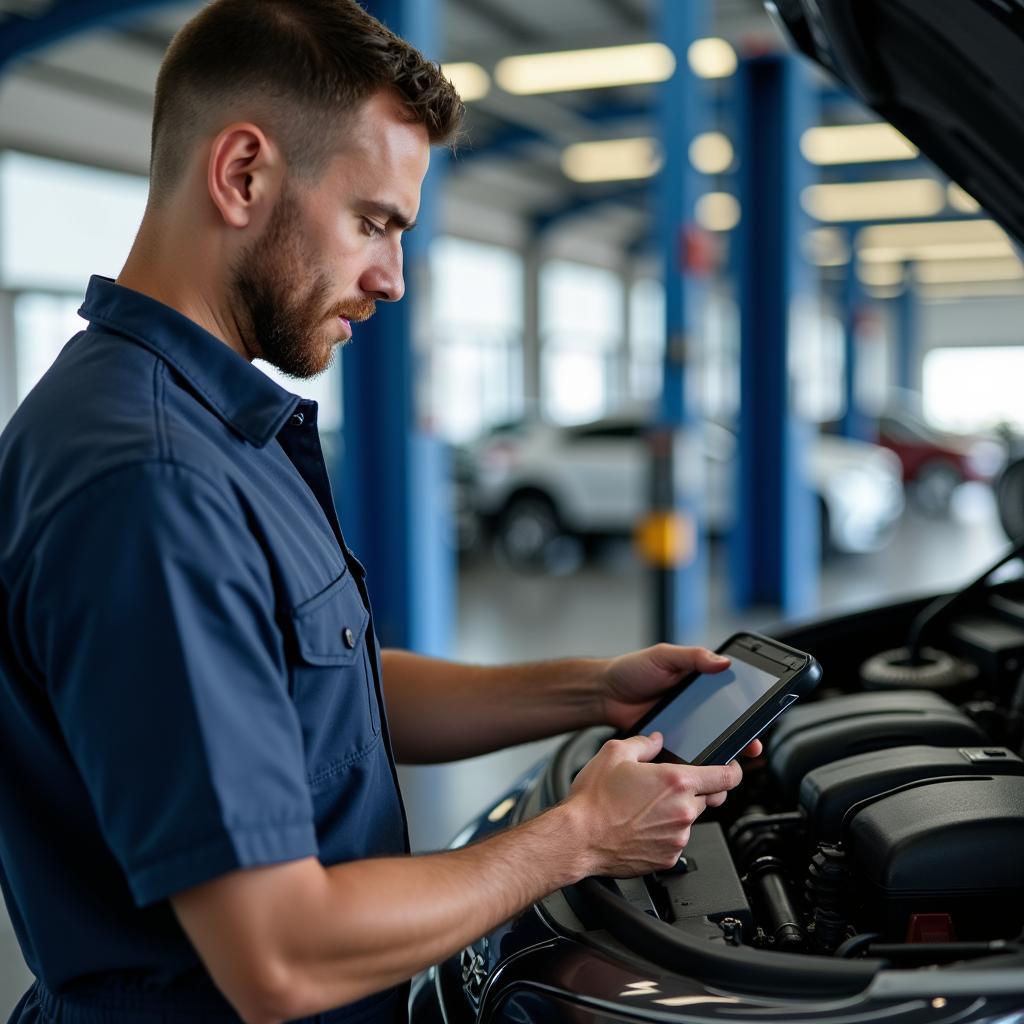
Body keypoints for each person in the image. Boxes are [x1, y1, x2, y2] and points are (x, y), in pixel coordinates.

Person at [0, 2, 759, 1022]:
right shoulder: (150, 477)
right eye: (373, 223)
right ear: (242, 175)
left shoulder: (212, 424)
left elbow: (324, 693)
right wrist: (574, 837)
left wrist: (594, 689)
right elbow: (278, 954)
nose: (392, 279)